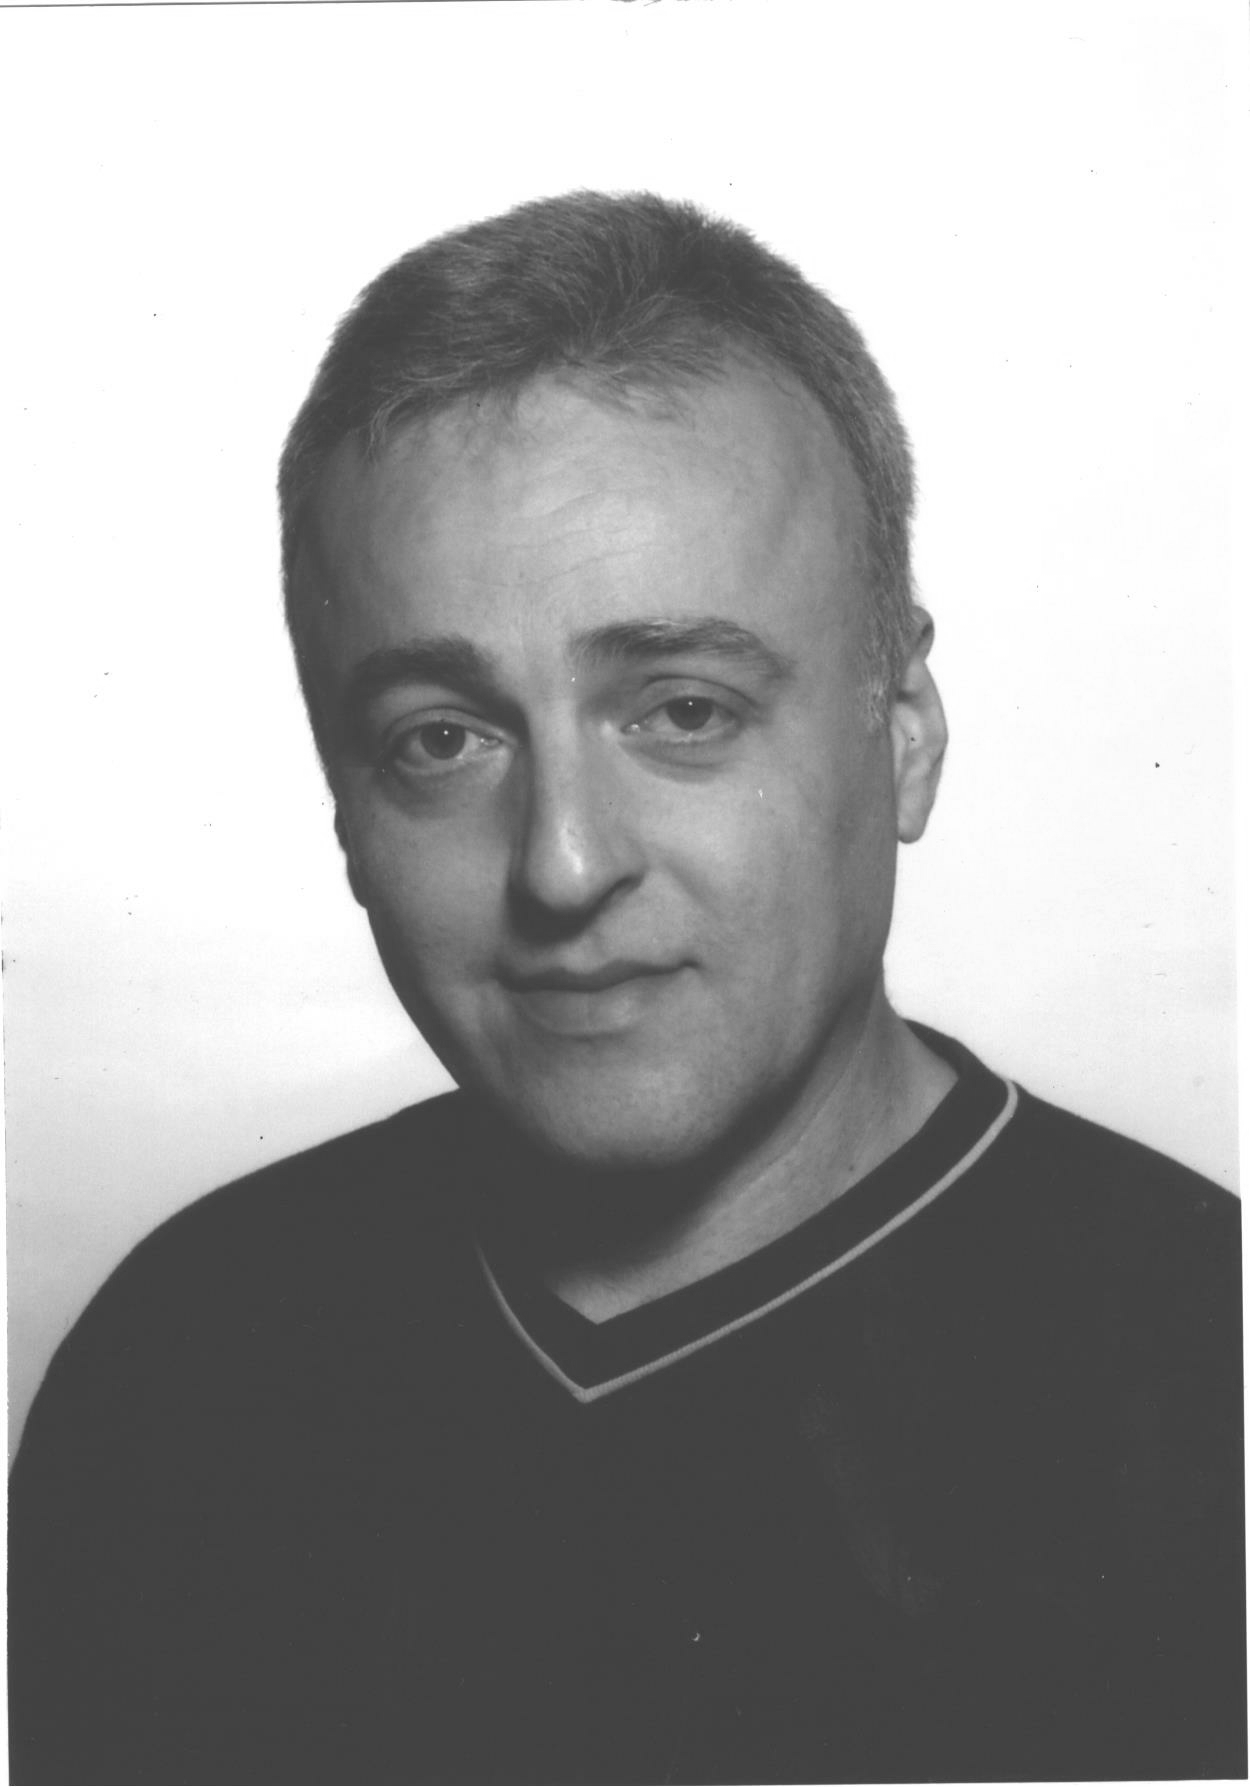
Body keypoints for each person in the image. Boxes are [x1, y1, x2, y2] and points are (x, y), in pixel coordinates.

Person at [8, 191, 1243, 1785]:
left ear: (903, 731)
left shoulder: (1206, 1371)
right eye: (442, 738)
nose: (563, 865)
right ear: (343, 806)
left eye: (682, 709)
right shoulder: (187, 1359)